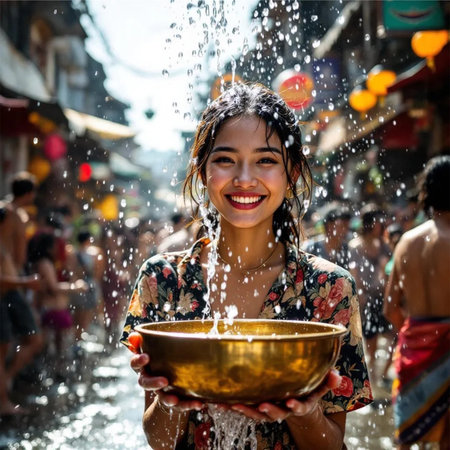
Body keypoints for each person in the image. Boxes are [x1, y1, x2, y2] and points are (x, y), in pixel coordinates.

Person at [121, 82, 373, 449]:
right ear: (202, 171)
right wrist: (168, 401)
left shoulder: (328, 287)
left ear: (292, 174)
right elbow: (159, 441)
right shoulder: (163, 279)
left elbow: (333, 445)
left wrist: (305, 413)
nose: (243, 179)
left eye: (266, 160)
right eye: (225, 159)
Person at [384, 155, 450, 449]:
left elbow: (390, 308)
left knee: (408, 437)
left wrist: (417, 335)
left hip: (413, 347)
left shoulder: (406, 242)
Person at [0, 204, 42, 415]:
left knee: (32, 339)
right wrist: (25, 283)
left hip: (10, 295)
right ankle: (3, 400)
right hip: (6, 295)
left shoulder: (5, 241)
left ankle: (6, 383)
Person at [348, 203, 391, 384]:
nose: (382, 225)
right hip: (367, 298)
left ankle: (383, 375)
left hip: (384, 297)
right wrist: (361, 296)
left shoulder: (384, 245)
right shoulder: (355, 245)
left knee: (393, 338)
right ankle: (373, 382)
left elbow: (390, 272)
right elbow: (354, 273)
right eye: (379, 222)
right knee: (371, 343)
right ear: (370, 223)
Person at [304, 205, 352, 270]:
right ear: (329, 225)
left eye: (347, 226)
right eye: (342, 226)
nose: (345, 230)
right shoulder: (311, 248)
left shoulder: (347, 250)